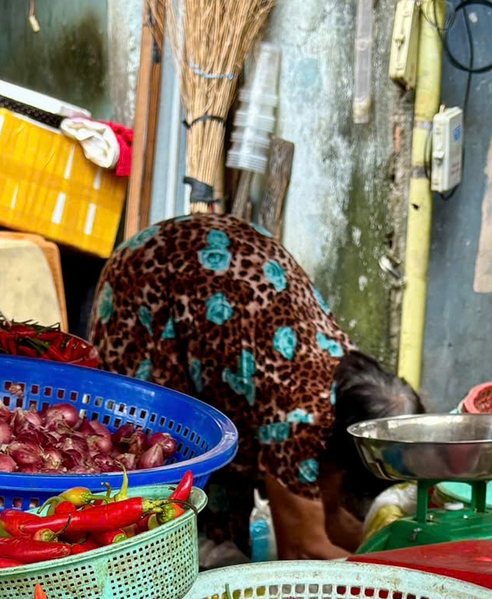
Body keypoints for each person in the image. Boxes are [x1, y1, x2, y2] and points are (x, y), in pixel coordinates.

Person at [90, 214, 422, 559]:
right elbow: (302, 546)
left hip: (204, 284)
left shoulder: (344, 371)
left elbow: (332, 519)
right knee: (157, 471)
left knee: (221, 515)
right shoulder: (301, 416)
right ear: (341, 468)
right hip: (148, 283)